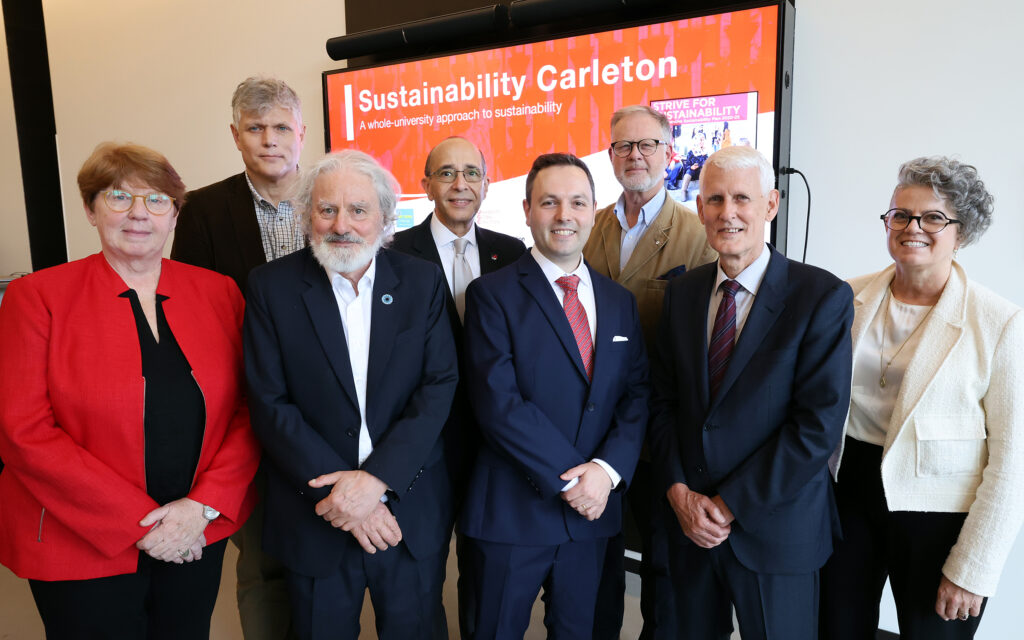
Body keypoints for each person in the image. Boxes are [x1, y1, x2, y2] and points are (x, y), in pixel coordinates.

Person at [0, 142, 260, 639]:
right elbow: (23, 431)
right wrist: (139, 524)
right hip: (77, 538)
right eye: (119, 197)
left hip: (194, 531)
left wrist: (201, 507)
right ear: (91, 209)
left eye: (157, 200)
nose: (139, 214)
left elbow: (250, 411)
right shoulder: (37, 297)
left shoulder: (219, 292)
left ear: (174, 215)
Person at [244, 150, 458, 640]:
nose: (342, 224)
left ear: (384, 219)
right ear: (307, 216)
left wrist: (377, 482)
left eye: (359, 210)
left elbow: (439, 385)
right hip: (317, 512)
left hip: (406, 511)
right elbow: (269, 402)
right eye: (327, 210)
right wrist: (348, 496)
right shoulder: (270, 288)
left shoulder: (421, 281)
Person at [648, 145, 853, 640]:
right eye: (714, 199)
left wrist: (729, 503)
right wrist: (678, 492)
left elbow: (816, 427)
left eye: (742, 197)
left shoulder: (821, 296)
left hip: (777, 533)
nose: (727, 212)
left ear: (771, 205)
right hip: (691, 527)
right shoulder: (681, 294)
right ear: (699, 210)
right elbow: (661, 404)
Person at [820, 157, 1024, 640]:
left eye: (933, 217)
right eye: (901, 215)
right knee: (833, 629)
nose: (913, 228)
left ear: (962, 230)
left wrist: (973, 568)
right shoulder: (846, 297)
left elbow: (1012, 460)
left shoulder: (998, 322)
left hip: (940, 518)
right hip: (846, 495)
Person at [459, 153, 650, 638]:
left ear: (593, 210)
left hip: (594, 519)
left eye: (577, 202)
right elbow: (498, 404)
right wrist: (573, 483)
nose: (564, 215)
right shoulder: (491, 295)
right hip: (511, 518)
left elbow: (636, 396)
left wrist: (605, 474)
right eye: (549, 202)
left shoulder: (619, 302)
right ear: (527, 210)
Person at [170, 75, 305, 640]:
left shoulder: (335, 197)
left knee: (327, 556)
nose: (269, 140)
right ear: (235, 135)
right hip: (249, 407)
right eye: (255, 128)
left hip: (331, 404)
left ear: (301, 133)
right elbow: (193, 317)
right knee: (261, 561)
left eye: (279, 127)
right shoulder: (201, 211)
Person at [583, 104, 717, 639]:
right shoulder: (587, 229)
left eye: (647, 145)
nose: (634, 155)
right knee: (598, 567)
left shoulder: (698, 232)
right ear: (610, 155)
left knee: (665, 569)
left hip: (661, 433)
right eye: (622, 146)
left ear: (670, 154)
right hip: (593, 433)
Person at [390, 136, 526, 638]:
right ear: (426, 186)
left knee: (484, 575)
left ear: (487, 186)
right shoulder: (394, 254)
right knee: (421, 577)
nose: (460, 184)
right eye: (446, 173)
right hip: (422, 448)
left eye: (471, 173)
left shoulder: (510, 253)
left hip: (493, 447)